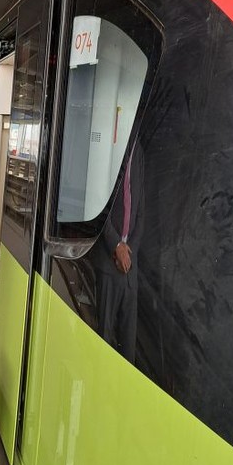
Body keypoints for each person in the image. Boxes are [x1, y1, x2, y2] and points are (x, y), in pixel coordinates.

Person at [88, 142, 144, 364]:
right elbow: (97, 204)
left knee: (128, 343)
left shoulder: (138, 152)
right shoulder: (106, 150)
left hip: (130, 264)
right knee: (105, 336)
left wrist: (130, 252)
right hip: (108, 262)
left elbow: (141, 209)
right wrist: (116, 246)